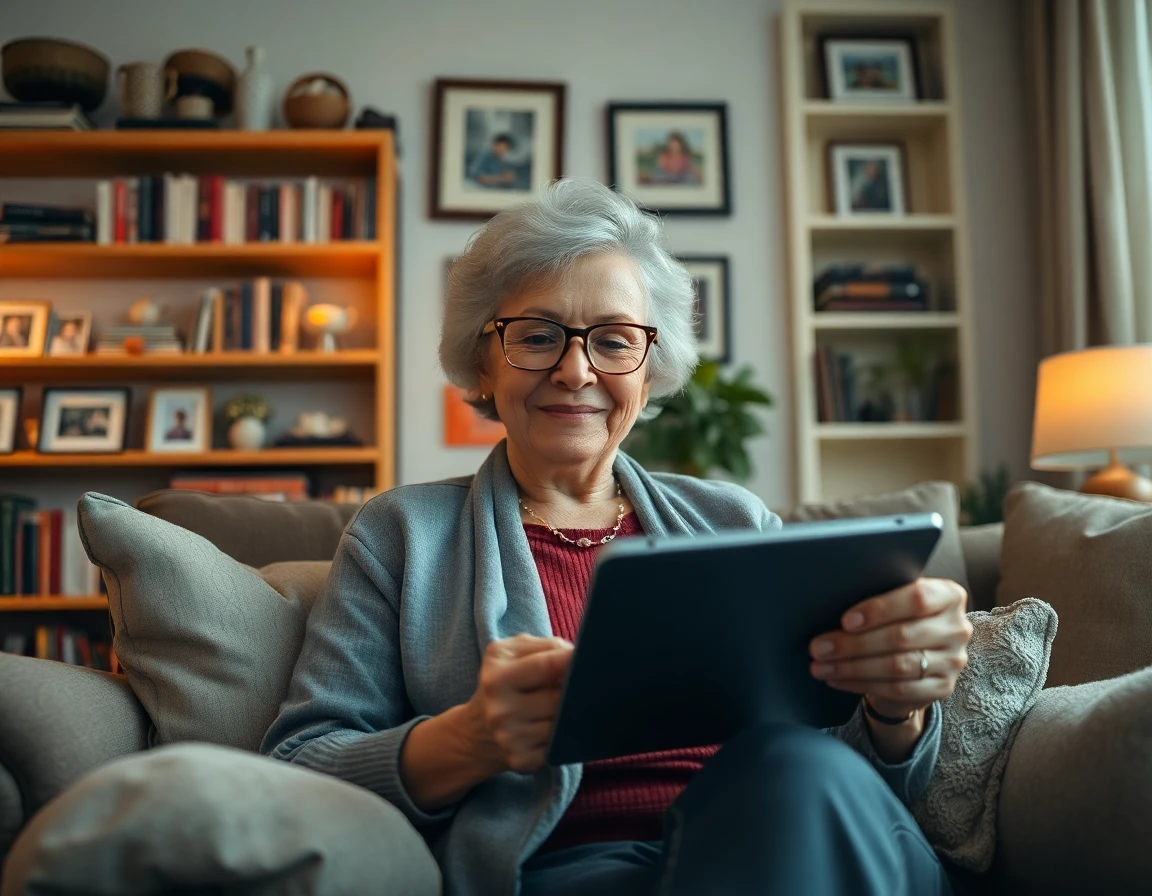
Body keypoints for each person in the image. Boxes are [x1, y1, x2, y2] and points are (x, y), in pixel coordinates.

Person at [261, 178, 971, 896]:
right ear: (483, 361)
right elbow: (298, 766)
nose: (576, 370)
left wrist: (896, 704)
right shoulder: (402, 535)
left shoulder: (734, 522)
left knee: (793, 769)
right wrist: (469, 739)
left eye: (613, 340)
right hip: (578, 874)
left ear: (650, 368)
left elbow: (864, 783)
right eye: (536, 337)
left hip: (797, 836)